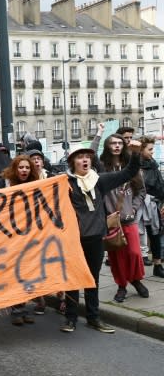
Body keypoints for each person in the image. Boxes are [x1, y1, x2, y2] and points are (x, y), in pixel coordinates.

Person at [61, 140, 142, 334]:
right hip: (73, 240)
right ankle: (70, 318)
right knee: (73, 280)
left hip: (96, 238)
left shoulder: (99, 180)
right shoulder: (64, 183)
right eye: (80, 157)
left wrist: (136, 154)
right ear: (73, 162)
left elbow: (128, 173)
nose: (85, 160)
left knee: (92, 279)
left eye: (88, 156)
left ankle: (93, 318)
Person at [99, 134, 148, 303]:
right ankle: (121, 286)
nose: (117, 146)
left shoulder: (131, 167)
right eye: (113, 143)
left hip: (129, 219)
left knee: (134, 253)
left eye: (120, 143)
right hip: (111, 221)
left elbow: (141, 191)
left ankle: (135, 279)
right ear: (107, 146)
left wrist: (133, 208)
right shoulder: (102, 169)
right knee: (117, 257)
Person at [0, 156, 39, 325]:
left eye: (27, 168)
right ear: (15, 168)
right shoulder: (3, 183)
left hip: (29, 235)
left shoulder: (35, 183)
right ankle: (16, 310)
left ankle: (23, 307)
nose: (24, 170)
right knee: (14, 274)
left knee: (26, 274)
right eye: (21, 167)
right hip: (9, 236)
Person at [139, 136, 164, 277]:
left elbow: (160, 183)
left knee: (155, 234)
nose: (152, 152)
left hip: (154, 203)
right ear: (141, 150)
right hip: (141, 204)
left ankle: (157, 265)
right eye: (150, 149)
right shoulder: (137, 165)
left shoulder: (152, 163)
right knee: (139, 235)